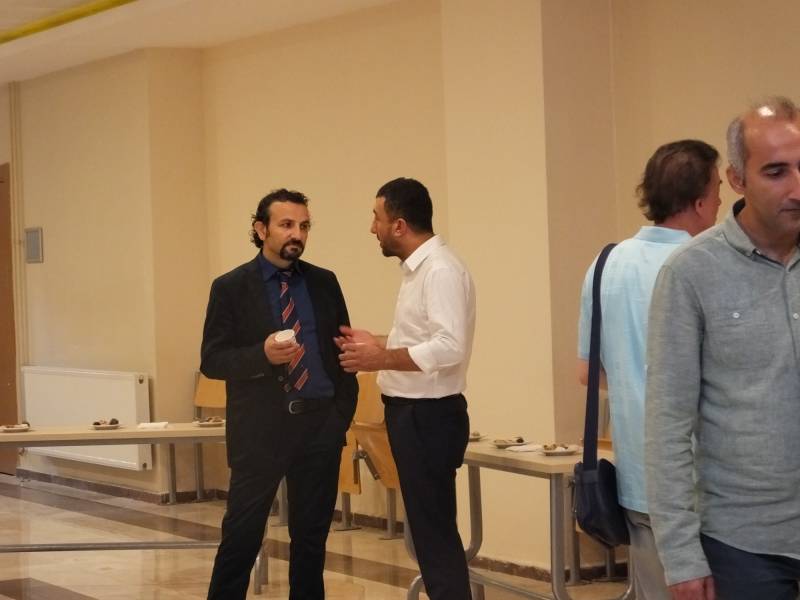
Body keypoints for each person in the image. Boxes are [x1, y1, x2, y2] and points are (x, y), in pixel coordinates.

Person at [646, 97, 800, 600]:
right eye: (776, 171)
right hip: (742, 547)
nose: (797, 187)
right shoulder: (691, 272)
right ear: (737, 179)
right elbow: (667, 423)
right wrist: (680, 556)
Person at [577, 140, 722, 599]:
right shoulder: (709, 265)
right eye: (717, 188)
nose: (721, 200)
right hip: (707, 481)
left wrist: (633, 383)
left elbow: (588, 373)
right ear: (699, 202)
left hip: (638, 472)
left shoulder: (605, 264)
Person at [200, 188, 358, 600]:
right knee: (241, 537)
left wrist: (339, 416)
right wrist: (263, 355)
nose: (297, 234)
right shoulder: (231, 287)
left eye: (303, 226)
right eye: (286, 224)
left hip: (320, 425)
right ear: (261, 229)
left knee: (311, 540)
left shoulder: (324, 282)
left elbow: (342, 352)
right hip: (261, 430)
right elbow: (212, 360)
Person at [337, 177, 476, 600]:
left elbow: (449, 347)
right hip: (413, 414)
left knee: (435, 535)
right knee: (430, 533)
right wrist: (378, 343)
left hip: (428, 416)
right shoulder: (419, 270)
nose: (372, 228)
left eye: (376, 218)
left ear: (398, 225)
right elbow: (422, 340)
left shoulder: (440, 270)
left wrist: (379, 359)